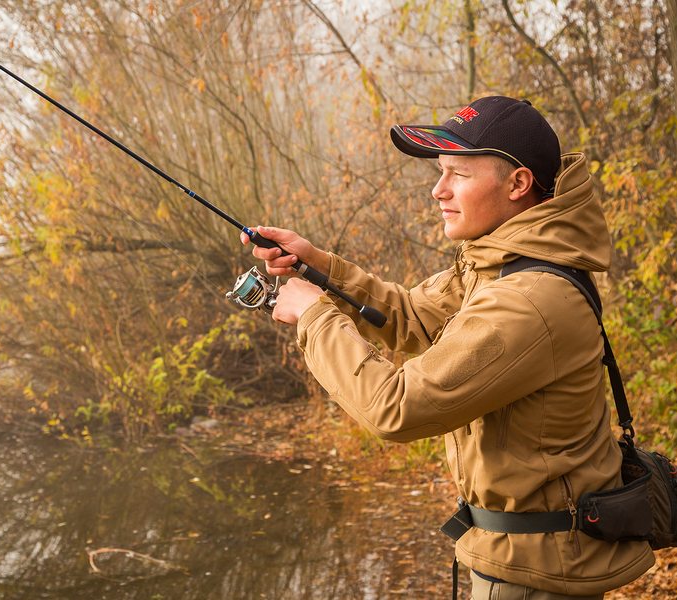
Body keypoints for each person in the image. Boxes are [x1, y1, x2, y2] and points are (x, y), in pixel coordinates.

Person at [242, 96, 654, 599]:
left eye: (457, 173)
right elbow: (413, 317)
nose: (438, 191)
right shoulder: (502, 259)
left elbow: (398, 409)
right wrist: (319, 268)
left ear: (518, 183)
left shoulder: (528, 299)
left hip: (535, 576)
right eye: (440, 173)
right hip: (516, 555)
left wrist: (314, 315)